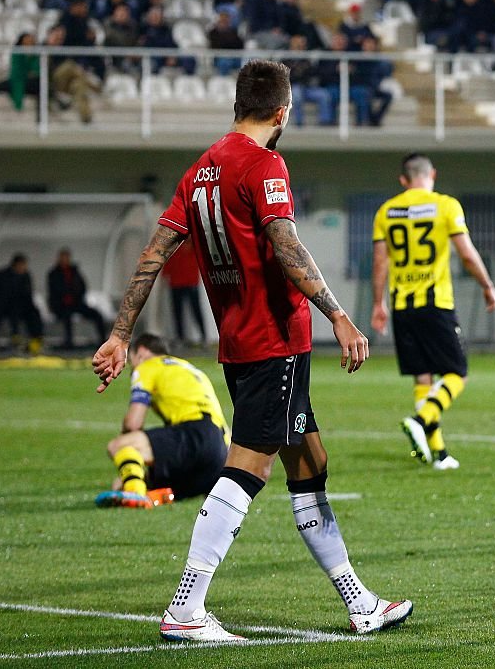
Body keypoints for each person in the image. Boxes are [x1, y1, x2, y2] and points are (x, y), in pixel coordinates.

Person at [92, 60, 412, 641]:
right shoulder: (265, 164)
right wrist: (339, 314)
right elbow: (286, 245)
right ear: (283, 112)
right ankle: (187, 606)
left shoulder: (201, 171)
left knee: (310, 465)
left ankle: (360, 601)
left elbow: (153, 255)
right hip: (274, 344)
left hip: (240, 345)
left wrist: (119, 333)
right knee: (248, 468)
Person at [371, 153, 495, 471]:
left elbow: (379, 262)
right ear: (432, 175)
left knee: (423, 377)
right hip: (435, 304)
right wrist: (487, 285)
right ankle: (421, 419)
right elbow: (466, 253)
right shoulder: (445, 205)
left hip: (402, 306)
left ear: (404, 180)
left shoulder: (387, 211)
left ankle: (438, 453)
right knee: (457, 373)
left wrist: (378, 303)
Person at [95, 333, 230, 509]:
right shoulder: (191, 369)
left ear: (141, 352)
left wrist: (129, 445)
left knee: (119, 446)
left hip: (194, 435)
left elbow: (133, 424)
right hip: (219, 454)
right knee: (123, 482)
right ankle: (156, 495)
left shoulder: (147, 366)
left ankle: (134, 494)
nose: (132, 368)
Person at [0, 253, 44, 354]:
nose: (23, 268)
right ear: (15, 265)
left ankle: (36, 339)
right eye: (22, 265)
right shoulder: (1, 276)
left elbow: (27, 296)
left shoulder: (26, 276)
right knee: (5, 313)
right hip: (1, 307)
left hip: (20, 307)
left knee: (34, 313)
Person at [47, 248, 107, 349]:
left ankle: (103, 341)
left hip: (76, 303)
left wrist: (77, 296)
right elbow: (54, 291)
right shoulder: (53, 273)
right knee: (67, 316)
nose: (65, 260)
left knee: (96, 314)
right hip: (61, 305)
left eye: (67, 258)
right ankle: (68, 343)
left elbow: (82, 286)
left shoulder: (74, 272)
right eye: (63, 258)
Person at [160, 237, 207, 345]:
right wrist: (165, 276)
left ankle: (203, 336)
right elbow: (168, 263)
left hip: (191, 283)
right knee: (178, 312)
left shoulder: (195, 248)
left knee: (196, 310)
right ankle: (180, 337)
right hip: (176, 284)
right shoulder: (175, 248)